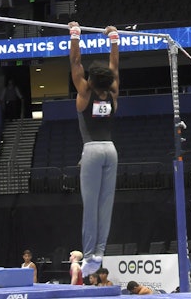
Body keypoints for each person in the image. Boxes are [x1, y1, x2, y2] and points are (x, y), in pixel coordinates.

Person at [68, 21, 120, 278]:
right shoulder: (112, 93)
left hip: (91, 150)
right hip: (111, 150)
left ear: (90, 79)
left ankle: (89, 256)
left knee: (90, 205)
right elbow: (115, 67)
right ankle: (98, 252)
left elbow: (76, 63)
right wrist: (113, 39)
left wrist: (75, 34)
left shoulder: (85, 93)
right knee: (105, 204)